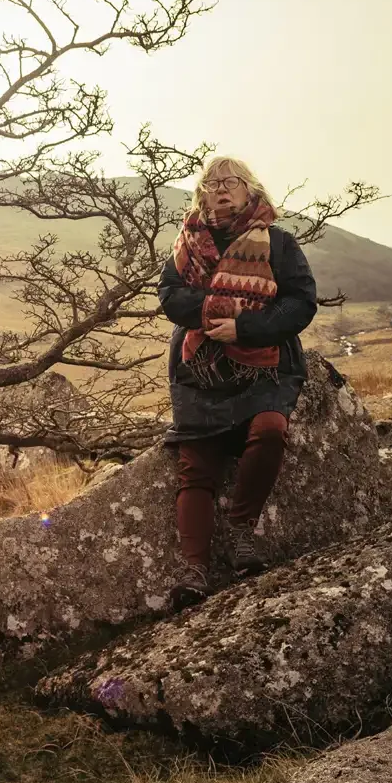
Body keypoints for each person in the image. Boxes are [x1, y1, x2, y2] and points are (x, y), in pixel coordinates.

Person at [157, 155, 318, 606]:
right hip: (199, 366)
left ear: (251, 190)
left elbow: (301, 303)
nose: (220, 189)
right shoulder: (186, 243)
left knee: (270, 430)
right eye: (210, 184)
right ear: (201, 195)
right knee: (197, 463)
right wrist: (212, 316)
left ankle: (241, 528)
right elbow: (170, 296)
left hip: (264, 363)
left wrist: (244, 328)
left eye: (231, 182)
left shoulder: (279, 244)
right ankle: (194, 570)